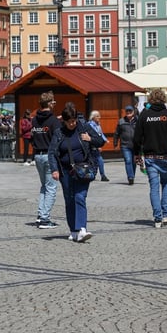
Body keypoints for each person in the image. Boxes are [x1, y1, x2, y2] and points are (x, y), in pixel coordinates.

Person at [49, 102, 105, 242]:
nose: (72, 124)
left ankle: (82, 229)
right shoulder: (59, 133)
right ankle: (73, 230)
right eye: (69, 122)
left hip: (83, 169)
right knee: (69, 199)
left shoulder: (84, 127)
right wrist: (54, 169)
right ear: (64, 121)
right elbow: (52, 152)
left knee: (80, 197)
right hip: (66, 171)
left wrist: (90, 139)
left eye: (74, 121)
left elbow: (100, 141)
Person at [133, 88, 167, 228]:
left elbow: (137, 138)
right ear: (164, 99)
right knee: (166, 184)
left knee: (154, 187)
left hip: (150, 156)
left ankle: (157, 218)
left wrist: (137, 154)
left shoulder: (144, 115)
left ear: (151, 99)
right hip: (165, 156)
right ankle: (166, 215)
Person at [31, 92, 61, 229]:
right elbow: (58, 139)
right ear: (49, 104)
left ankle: (40, 214)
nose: (54, 104)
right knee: (51, 188)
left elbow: (32, 137)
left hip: (37, 155)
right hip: (49, 155)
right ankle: (44, 218)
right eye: (53, 102)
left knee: (44, 186)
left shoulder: (34, 120)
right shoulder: (54, 121)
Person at [113, 105, 138, 185]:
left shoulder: (138, 121)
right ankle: (130, 177)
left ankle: (132, 176)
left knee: (134, 162)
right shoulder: (121, 121)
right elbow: (116, 133)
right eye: (127, 111)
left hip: (136, 145)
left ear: (133, 112)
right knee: (128, 161)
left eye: (130, 111)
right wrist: (115, 144)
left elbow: (143, 133)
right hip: (125, 145)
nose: (128, 112)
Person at [87, 110, 109, 181]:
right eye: (97, 116)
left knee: (98, 160)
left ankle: (98, 175)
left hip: (96, 145)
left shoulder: (98, 125)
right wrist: (97, 145)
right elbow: (93, 136)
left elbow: (101, 134)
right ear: (93, 117)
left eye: (99, 116)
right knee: (97, 160)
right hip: (92, 145)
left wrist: (105, 140)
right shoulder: (90, 125)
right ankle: (98, 175)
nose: (99, 117)